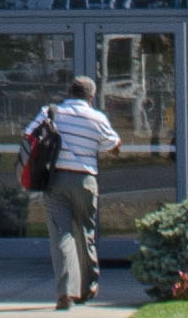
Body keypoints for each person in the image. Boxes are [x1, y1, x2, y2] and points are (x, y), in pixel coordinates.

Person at [29, 69, 122, 305]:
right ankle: (88, 287)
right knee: (85, 232)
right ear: (91, 96)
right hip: (85, 180)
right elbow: (113, 144)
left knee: (62, 234)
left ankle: (65, 291)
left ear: (69, 93)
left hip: (55, 180)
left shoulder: (51, 112)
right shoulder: (97, 117)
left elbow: (28, 134)